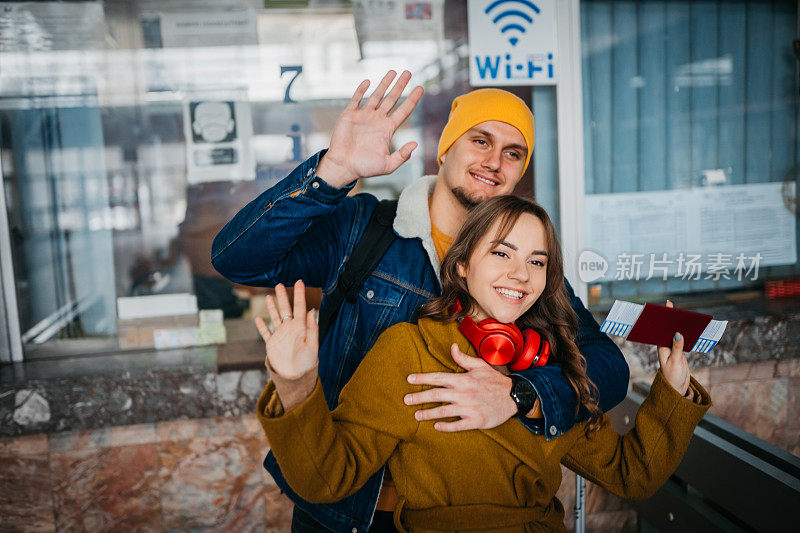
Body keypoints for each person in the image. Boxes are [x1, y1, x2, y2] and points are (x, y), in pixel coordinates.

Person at [211, 71, 629, 531]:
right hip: (345, 507)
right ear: (445, 149)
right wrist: (334, 172)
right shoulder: (365, 230)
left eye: (514, 153)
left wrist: (522, 394)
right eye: (481, 141)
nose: (495, 162)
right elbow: (238, 260)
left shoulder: (524, 272)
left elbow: (608, 368)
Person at [255, 196, 710, 532]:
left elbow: (632, 474)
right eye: (501, 252)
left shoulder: (555, 364)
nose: (521, 274)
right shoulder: (409, 349)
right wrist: (296, 384)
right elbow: (328, 478)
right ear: (460, 268)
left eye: (537, 261)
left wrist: (672, 390)